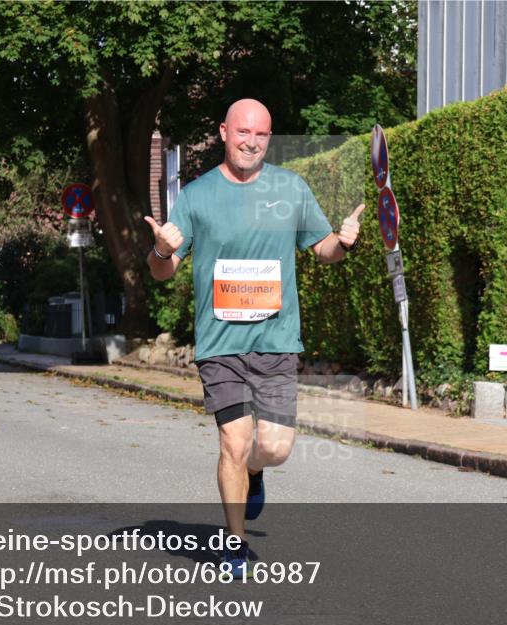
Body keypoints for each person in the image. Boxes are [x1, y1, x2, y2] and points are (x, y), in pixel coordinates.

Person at [144, 99, 363, 577]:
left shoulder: (290, 188)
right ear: (224, 132)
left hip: (276, 342)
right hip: (220, 344)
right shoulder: (197, 195)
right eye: (243, 132)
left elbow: (322, 249)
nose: (251, 142)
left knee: (275, 448)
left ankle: (256, 472)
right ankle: (235, 544)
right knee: (233, 442)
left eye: (261, 134)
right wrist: (160, 251)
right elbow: (164, 271)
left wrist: (345, 242)